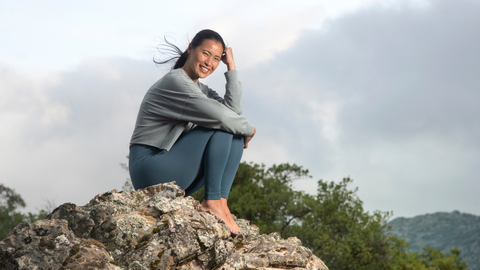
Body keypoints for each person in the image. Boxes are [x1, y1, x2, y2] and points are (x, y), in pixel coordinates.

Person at [128, 29, 256, 235]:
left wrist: (231, 68)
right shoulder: (175, 82)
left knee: (234, 132)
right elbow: (224, 119)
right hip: (150, 168)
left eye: (216, 59)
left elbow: (233, 113)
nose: (209, 63)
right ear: (190, 49)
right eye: (205, 54)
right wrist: (251, 129)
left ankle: (221, 203)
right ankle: (213, 202)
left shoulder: (201, 90)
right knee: (223, 127)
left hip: (173, 169)